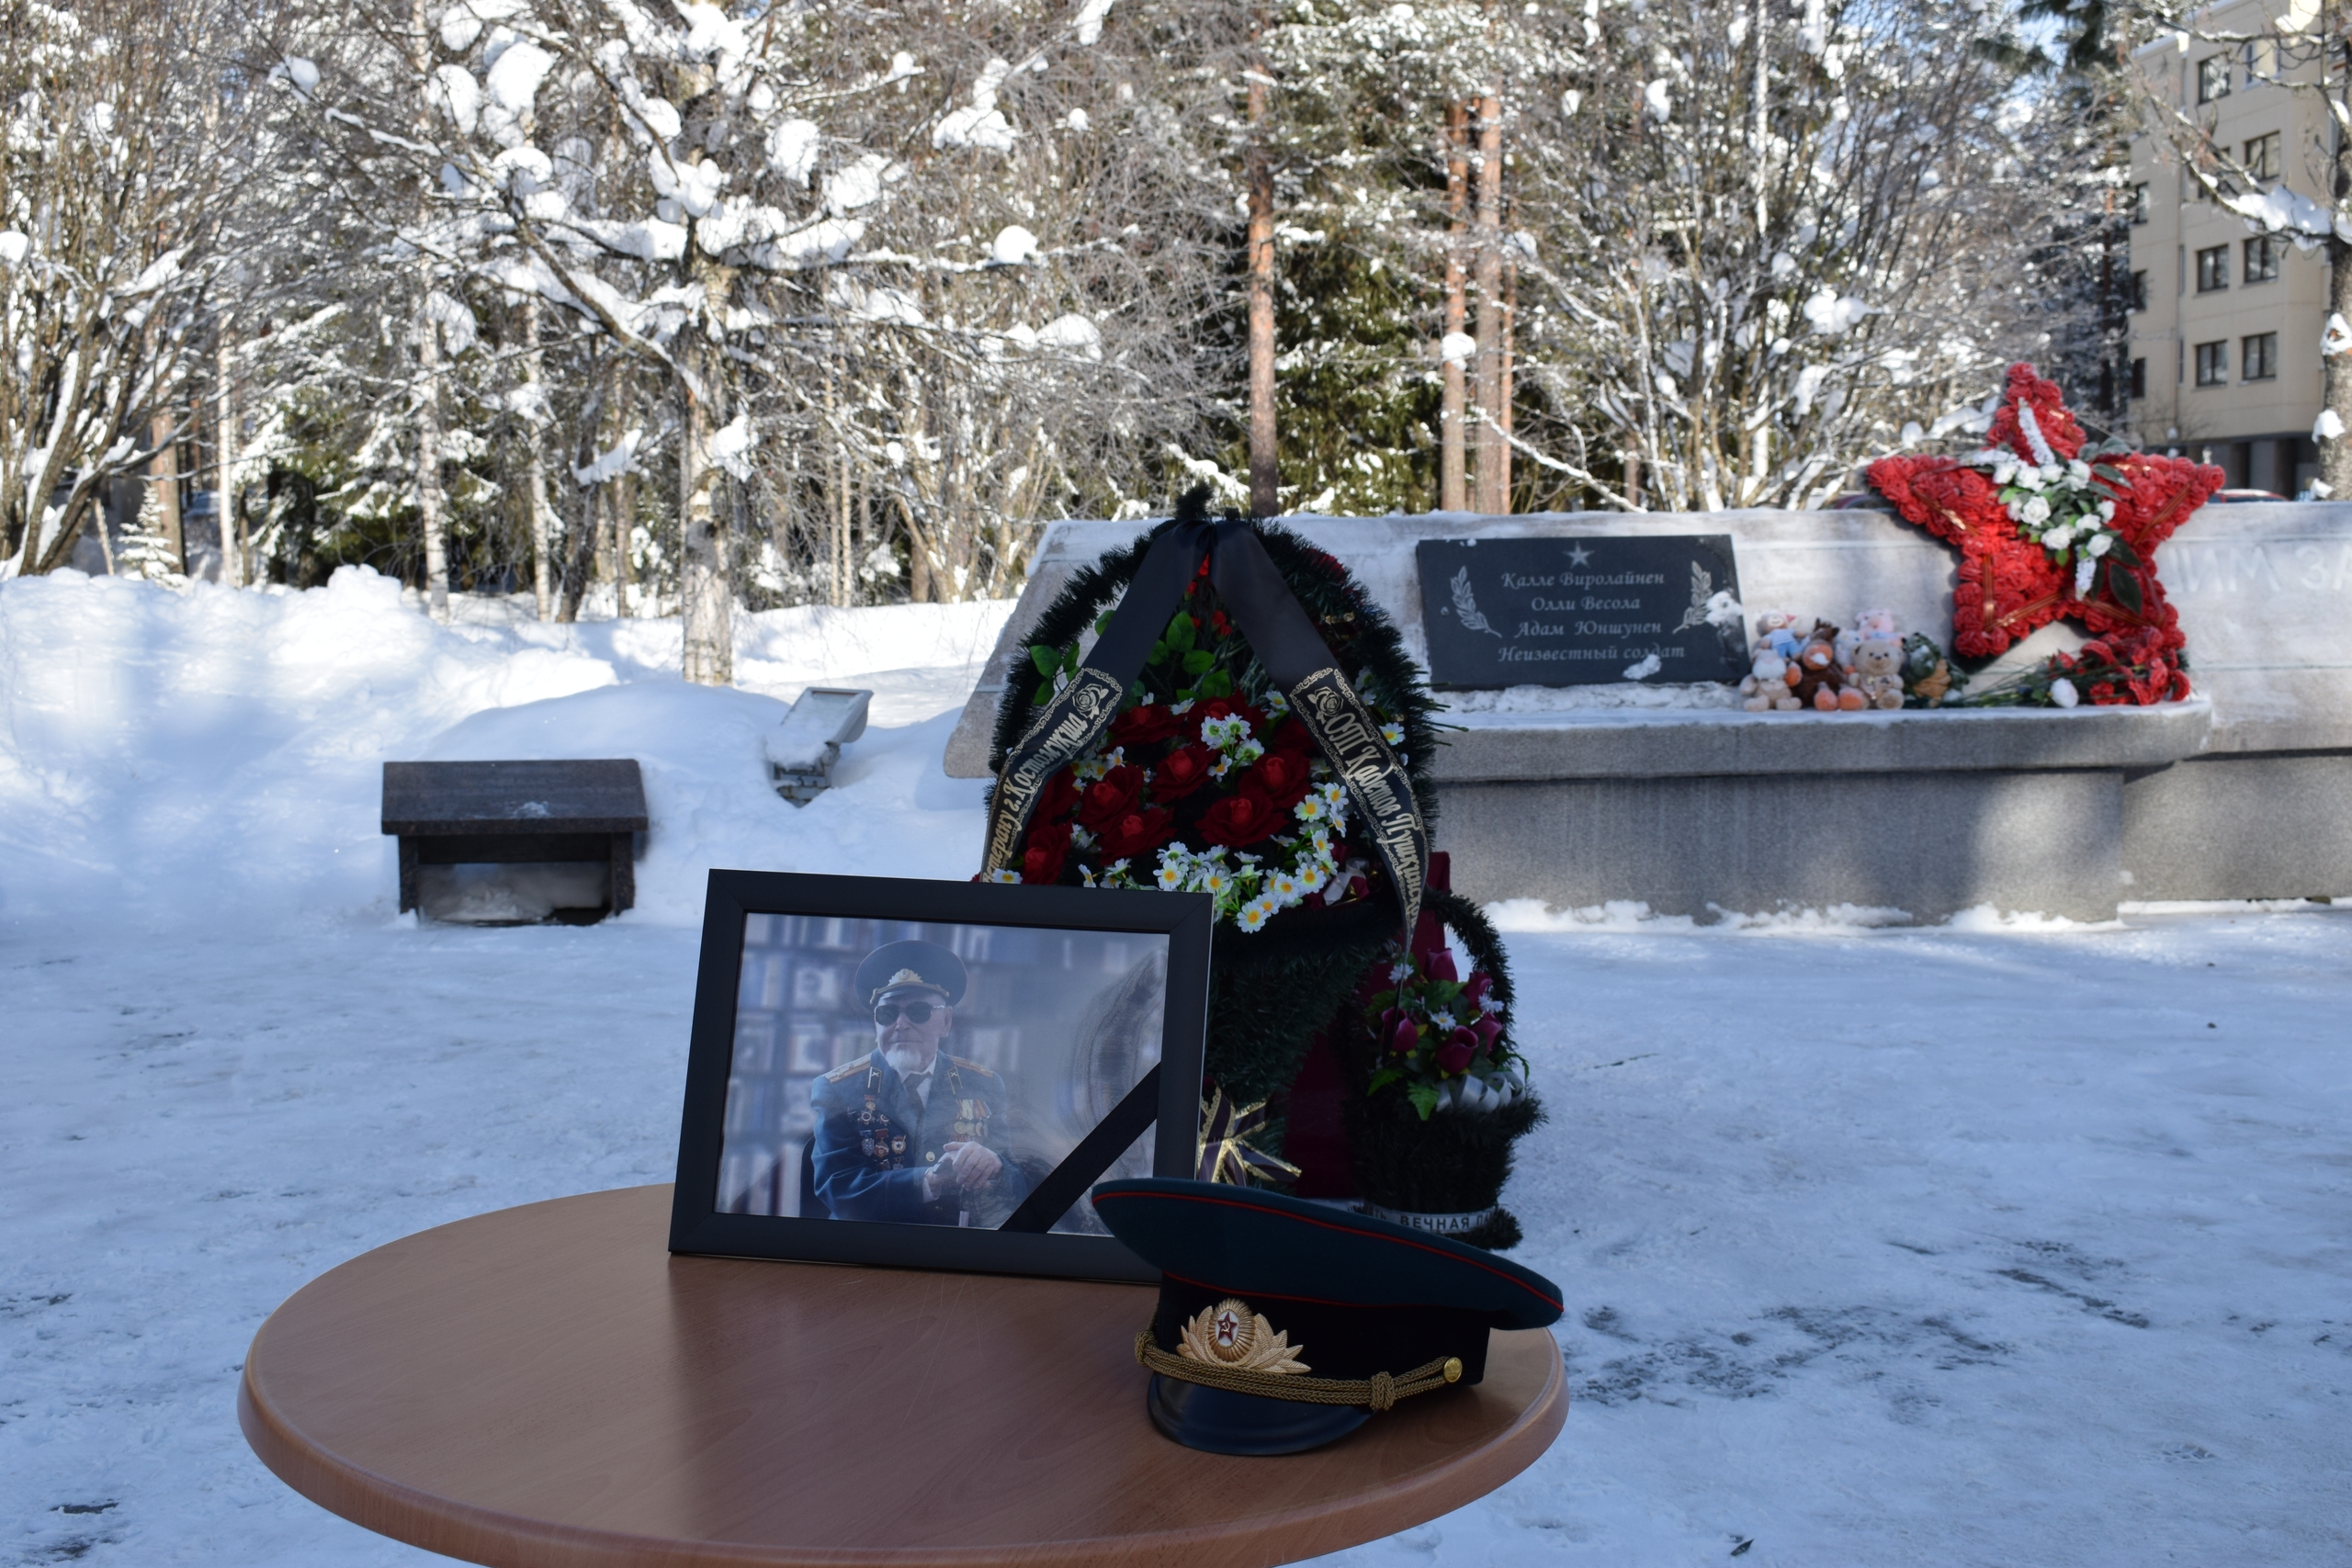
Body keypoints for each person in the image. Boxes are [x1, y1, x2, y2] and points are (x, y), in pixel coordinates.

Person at [808, 939, 1033, 1224]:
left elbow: (1018, 1182)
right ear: (876, 1023)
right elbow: (838, 1188)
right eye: (888, 1013)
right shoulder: (838, 1089)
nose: (901, 1024)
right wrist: (927, 1181)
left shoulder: (982, 1085)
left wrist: (996, 1167)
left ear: (946, 1021)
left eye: (918, 1012)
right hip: (869, 1242)